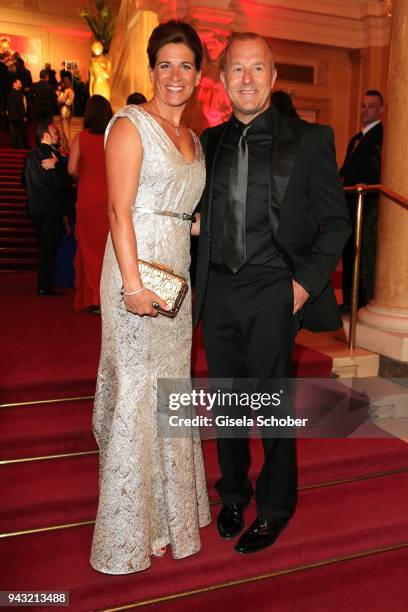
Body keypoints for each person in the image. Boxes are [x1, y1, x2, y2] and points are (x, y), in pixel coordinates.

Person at [195, 32, 351, 555]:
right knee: (228, 404)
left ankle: (277, 506)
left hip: (273, 289)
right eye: (237, 70)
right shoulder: (207, 143)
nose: (247, 80)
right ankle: (233, 495)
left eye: (257, 69)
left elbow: (335, 223)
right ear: (222, 82)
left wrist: (304, 285)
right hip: (218, 289)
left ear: (274, 76)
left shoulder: (311, 141)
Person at [90, 20, 211, 575]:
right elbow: (119, 210)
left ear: (198, 75)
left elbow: (181, 212)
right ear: (151, 69)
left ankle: (168, 518)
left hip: (176, 276)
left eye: (186, 64)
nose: (175, 75)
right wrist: (133, 284)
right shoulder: (131, 124)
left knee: (169, 389)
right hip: (136, 273)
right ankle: (130, 530)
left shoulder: (195, 139)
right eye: (165, 63)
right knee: (138, 390)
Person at [68, 95, 113, 312]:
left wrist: (84, 176)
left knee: (88, 247)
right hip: (110, 197)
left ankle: (93, 298)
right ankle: (109, 297)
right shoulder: (113, 137)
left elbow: (71, 170)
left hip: (87, 196)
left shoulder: (80, 138)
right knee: (108, 248)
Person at [339, 90, 384, 310]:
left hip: (366, 207)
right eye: (363, 105)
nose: (365, 110)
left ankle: (360, 301)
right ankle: (349, 300)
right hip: (348, 206)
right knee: (348, 252)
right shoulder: (355, 139)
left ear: (381, 110)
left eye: (371, 106)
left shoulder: (382, 137)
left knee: (360, 255)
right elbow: (345, 170)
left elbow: (378, 173)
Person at [23, 122, 73, 295]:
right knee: (49, 249)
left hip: (35, 209)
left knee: (43, 247)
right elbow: (62, 184)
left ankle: (44, 284)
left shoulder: (30, 156)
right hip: (52, 209)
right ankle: (44, 286)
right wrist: (59, 165)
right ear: (45, 135)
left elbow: (23, 182)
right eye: (55, 132)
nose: (58, 135)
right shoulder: (53, 154)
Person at [7, 78, 28, 148]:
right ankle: (24, 146)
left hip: (11, 116)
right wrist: (24, 116)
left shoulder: (9, 93)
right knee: (22, 131)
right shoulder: (19, 94)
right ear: (14, 84)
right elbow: (20, 106)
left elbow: (6, 105)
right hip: (18, 116)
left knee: (14, 132)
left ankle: (15, 146)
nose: (21, 86)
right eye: (19, 84)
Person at [56, 76, 74, 150]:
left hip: (64, 110)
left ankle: (69, 150)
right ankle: (66, 149)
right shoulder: (72, 91)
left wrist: (58, 95)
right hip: (68, 110)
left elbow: (61, 100)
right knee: (65, 132)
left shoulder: (67, 91)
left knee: (66, 133)